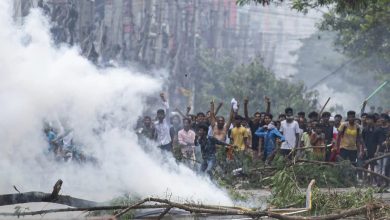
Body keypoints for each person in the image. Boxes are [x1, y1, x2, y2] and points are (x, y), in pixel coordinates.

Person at [361, 114, 377, 182]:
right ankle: (365, 181)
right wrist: (363, 148)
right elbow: (362, 139)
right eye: (367, 119)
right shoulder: (364, 129)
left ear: (373, 120)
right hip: (366, 150)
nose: (367, 121)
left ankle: (371, 181)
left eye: (369, 119)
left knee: (372, 166)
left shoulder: (376, 129)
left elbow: (378, 141)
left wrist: (376, 151)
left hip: (373, 150)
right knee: (365, 166)